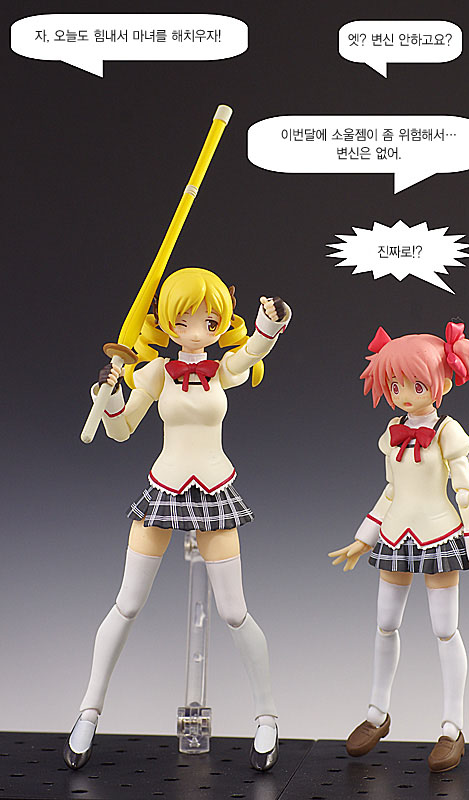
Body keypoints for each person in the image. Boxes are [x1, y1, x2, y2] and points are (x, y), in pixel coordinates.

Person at [64, 267, 290, 772]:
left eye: (209, 322)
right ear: (167, 322)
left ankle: (267, 718)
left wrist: (270, 323)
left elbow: (252, 352)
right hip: (163, 490)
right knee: (126, 604)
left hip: (214, 492)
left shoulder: (222, 368)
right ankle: (88, 713)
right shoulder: (155, 373)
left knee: (235, 611)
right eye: (185, 320)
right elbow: (121, 429)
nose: (196, 331)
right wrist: (107, 397)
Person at [329, 321, 469, 773]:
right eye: (395, 385)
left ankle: (452, 726)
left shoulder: (449, 432)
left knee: (445, 629)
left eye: (415, 385)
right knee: (385, 624)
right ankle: (376, 713)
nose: (403, 394)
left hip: (439, 535)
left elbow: (465, 491)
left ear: (441, 383)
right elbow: (391, 491)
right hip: (395, 535)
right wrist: (363, 537)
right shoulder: (392, 429)